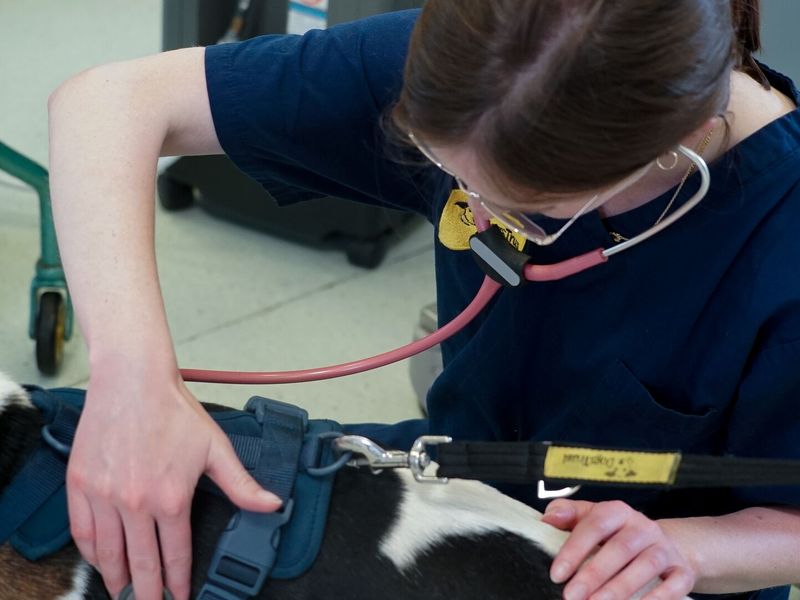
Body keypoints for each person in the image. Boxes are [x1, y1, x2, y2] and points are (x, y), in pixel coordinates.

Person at [47, 1, 800, 599]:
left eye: (529, 210)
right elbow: (103, 102)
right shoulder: (504, 54)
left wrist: (683, 550)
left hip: (630, 571)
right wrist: (132, 378)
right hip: (456, 485)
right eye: (444, 168)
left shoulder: (780, 241)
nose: (472, 211)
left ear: (680, 147)